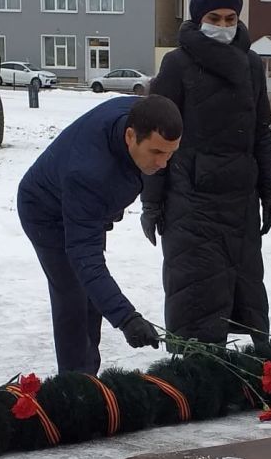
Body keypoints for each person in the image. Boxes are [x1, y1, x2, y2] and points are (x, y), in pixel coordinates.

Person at [139, 0, 271, 347]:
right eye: (213, 18)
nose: (222, 25)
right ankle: (196, 374)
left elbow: (260, 132)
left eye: (230, 17)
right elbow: (155, 138)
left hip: (241, 201)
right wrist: (152, 203)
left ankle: (242, 377)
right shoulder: (177, 64)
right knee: (196, 294)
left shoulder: (251, 65)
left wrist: (269, 191)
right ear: (198, 19)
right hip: (191, 201)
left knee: (242, 289)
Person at [18, 95, 182, 375]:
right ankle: (75, 387)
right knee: (72, 296)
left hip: (87, 205)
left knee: (91, 300)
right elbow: (86, 258)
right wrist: (127, 319)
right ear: (130, 136)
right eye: (157, 152)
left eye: (170, 153)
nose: (164, 163)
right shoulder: (88, 174)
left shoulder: (143, 116)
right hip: (46, 212)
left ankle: (87, 377)